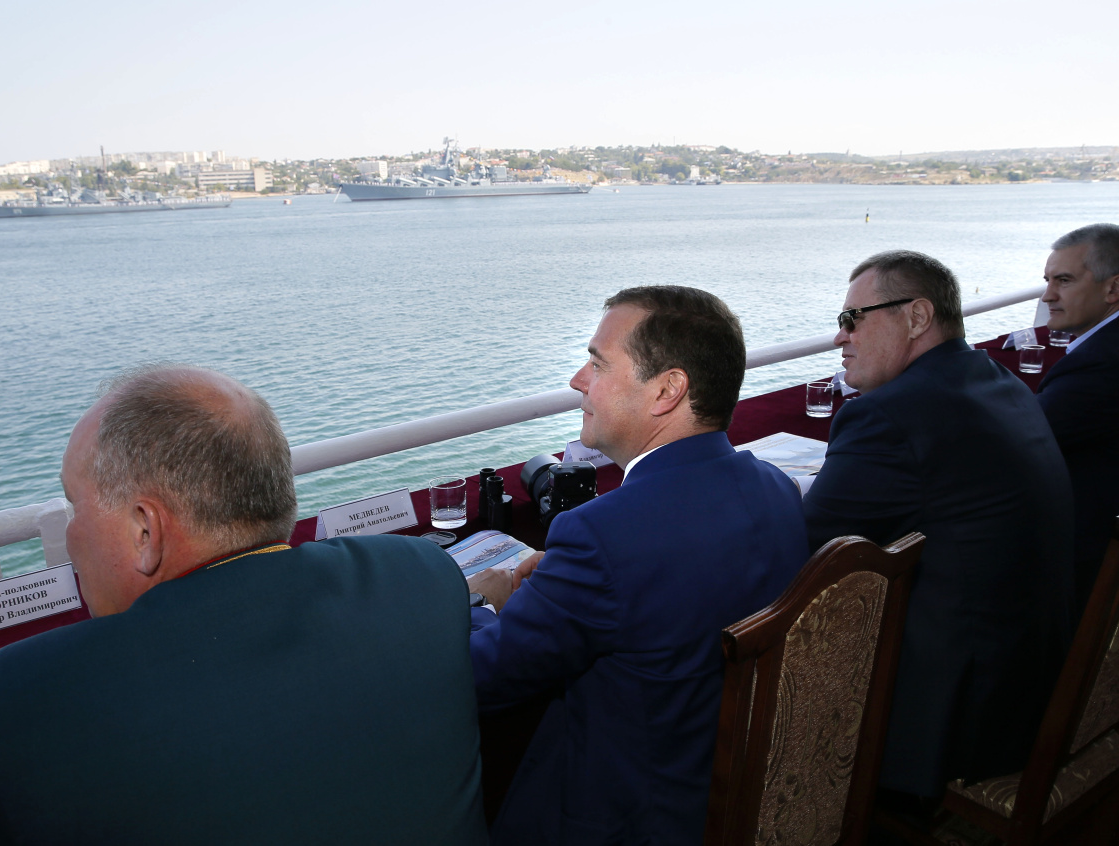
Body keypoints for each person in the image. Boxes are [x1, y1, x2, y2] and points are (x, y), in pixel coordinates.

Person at [0, 365, 487, 846]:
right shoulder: (419, 575)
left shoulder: (11, 703)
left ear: (144, 530)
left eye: (73, 504)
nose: (71, 533)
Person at [467, 286, 810, 845]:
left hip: (629, 817)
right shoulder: (777, 490)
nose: (578, 380)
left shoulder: (601, 537)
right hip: (733, 791)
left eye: (598, 364)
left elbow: (482, 678)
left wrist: (487, 602)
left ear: (668, 390)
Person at [803, 251, 1075, 802]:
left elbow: (804, 546)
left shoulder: (888, 415)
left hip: (960, 715)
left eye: (853, 319)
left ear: (917, 316)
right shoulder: (997, 379)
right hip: (1035, 677)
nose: (840, 337)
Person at [1037, 223, 1119, 615]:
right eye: (1048, 281)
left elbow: (1025, 439)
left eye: (1064, 281)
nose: (1047, 295)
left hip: (1085, 557)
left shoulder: (1101, 363)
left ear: (1113, 289)